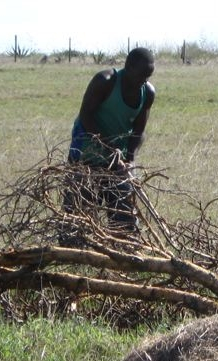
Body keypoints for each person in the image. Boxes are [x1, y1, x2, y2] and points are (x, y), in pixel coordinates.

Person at [63, 47, 156, 235]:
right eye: (140, 76)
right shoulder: (105, 81)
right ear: (128, 67)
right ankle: (74, 249)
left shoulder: (147, 92)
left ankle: (122, 248)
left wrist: (129, 159)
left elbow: (139, 131)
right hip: (86, 152)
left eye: (147, 77)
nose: (143, 82)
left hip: (118, 159)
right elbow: (85, 116)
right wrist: (109, 147)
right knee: (80, 212)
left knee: (124, 214)